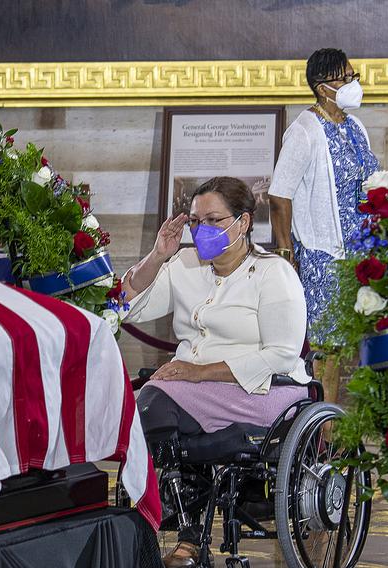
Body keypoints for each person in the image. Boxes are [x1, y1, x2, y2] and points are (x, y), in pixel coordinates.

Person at [122, 176, 309, 567]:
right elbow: (130, 308)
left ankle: (188, 538)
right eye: (194, 221)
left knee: (154, 404)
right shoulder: (185, 264)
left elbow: (281, 354)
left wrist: (199, 372)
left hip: (264, 390)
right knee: (141, 408)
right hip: (190, 391)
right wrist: (158, 255)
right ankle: (186, 532)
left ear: (242, 223)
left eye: (212, 220)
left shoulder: (273, 273)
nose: (201, 230)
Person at [267, 48, 379, 402]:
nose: (353, 84)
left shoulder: (355, 126)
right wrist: (286, 253)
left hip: (360, 254)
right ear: (322, 87)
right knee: (327, 354)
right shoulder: (304, 130)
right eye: (346, 78)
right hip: (323, 257)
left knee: (353, 349)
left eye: (354, 76)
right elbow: (279, 195)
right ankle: (323, 432)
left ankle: (346, 434)